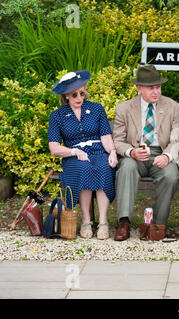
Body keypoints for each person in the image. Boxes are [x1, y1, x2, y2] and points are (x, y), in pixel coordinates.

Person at [113, 64, 179, 241]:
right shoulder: (124, 108)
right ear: (139, 88)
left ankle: (158, 225)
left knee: (171, 175)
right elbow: (118, 141)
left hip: (162, 152)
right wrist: (131, 152)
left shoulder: (172, 106)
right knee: (126, 167)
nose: (156, 91)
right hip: (136, 154)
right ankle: (124, 221)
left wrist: (167, 156)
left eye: (158, 87)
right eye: (151, 88)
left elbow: (177, 139)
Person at [48, 70, 118, 240]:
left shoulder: (96, 108)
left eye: (82, 93)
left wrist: (113, 152)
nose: (79, 97)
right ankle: (86, 221)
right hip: (74, 155)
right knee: (84, 169)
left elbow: (105, 136)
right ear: (66, 96)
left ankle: (103, 222)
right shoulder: (57, 115)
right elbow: (54, 148)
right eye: (74, 95)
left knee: (104, 167)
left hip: (98, 150)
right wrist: (73, 151)